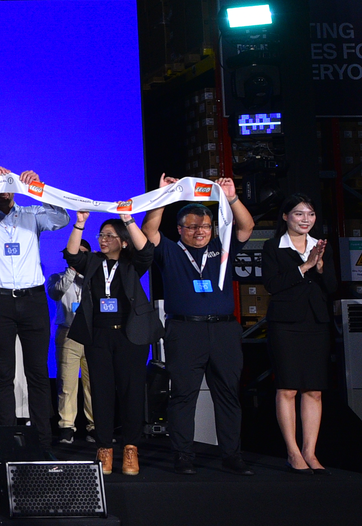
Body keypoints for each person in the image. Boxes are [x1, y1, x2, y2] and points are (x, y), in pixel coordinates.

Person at [142, 175, 255, 475]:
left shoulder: (221, 247)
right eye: (192, 227)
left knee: (228, 394)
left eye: (205, 226)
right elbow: (149, 231)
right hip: (185, 330)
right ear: (180, 229)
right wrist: (164, 196)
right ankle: (183, 455)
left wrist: (231, 199)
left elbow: (246, 227)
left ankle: (232, 455)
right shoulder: (170, 251)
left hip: (224, 330)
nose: (200, 231)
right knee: (183, 395)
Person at [0, 168, 69, 448]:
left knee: (38, 373)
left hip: (33, 301)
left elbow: (62, 219)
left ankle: (43, 442)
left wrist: (39, 189)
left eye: (8, 184)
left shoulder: (32, 214)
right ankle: (7, 442)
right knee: (4, 374)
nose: (4, 189)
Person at [64, 211, 159, 475]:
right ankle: (104, 448)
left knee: (131, 392)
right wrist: (80, 224)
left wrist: (128, 220)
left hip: (130, 336)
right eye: (101, 235)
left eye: (109, 236)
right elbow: (72, 255)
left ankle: (130, 448)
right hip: (99, 336)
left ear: (124, 241)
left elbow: (146, 251)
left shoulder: (132, 263)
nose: (103, 240)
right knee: (101, 392)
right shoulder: (93, 261)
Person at [261, 193, 336, 474]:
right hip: (285, 324)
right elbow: (272, 284)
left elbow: (331, 287)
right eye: (299, 214)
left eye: (310, 214)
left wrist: (320, 265)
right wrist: (305, 266)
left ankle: (310, 452)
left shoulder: (320, 246)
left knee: (313, 390)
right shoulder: (273, 247)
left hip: (315, 323)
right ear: (285, 217)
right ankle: (293, 452)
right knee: (288, 388)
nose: (306, 219)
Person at [48, 240, 95, 443]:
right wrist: (72, 271)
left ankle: (94, 426)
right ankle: (66, 426)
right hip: (68, 333)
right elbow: (55, 292)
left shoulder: (95, 278)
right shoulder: (57, 277)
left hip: (93, 334)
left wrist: (87, 273)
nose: (78, 257)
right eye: (74, 254)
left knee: (93, 383)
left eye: (82, 254)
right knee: (67, 383)